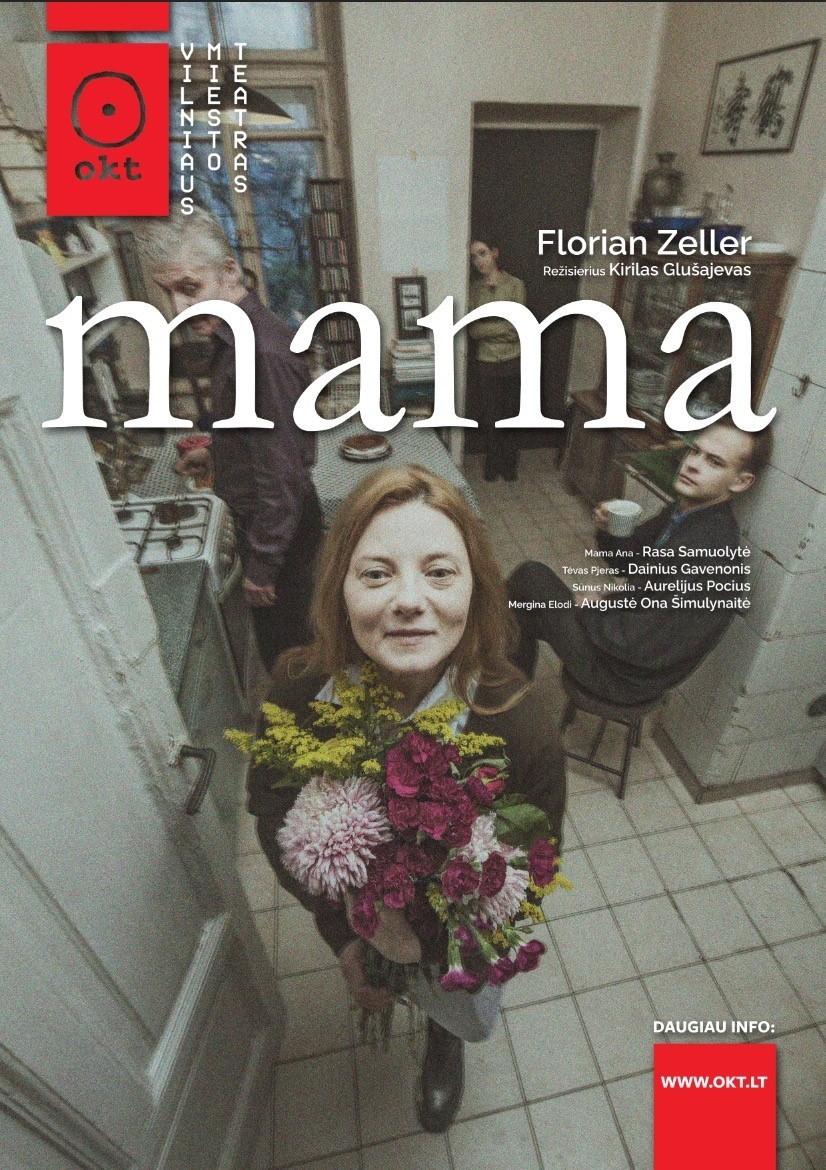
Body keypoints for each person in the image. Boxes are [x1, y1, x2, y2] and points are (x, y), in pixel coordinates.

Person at [247, 466, 567, 1133]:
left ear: (476, 588)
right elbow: (273, 814)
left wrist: (462, 936)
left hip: (456, 941)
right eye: (376, 574)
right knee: (379, 979)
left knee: (452, 1000)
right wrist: (345, 934)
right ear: (338, 589)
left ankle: (445, 1039)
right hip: (364, 924)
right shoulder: (298, 691)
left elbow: (535, 862)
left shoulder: (520, 721)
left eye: (440, 572)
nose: (409, 602)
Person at [136, 206, 323, 671]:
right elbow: (258, 439)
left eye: (189, 288)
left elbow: (283, 477)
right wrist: (219, 452)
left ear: (230, 271)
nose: (178, 309)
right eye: (167, 292)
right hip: (270, 524)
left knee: (291, 660)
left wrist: (262, 567)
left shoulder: (261, 355)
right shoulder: (230, 336)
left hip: (280, 531)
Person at [508, 420, 773, 704]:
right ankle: (509, 683)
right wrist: (609, 530)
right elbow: (628, 563)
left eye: (714, 462)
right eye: (695, 451)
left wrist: (592, 608)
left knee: (530, 578)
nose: (692, 464)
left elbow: (638, 644)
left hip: (624, 678)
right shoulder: (685, 513)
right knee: (518, 611)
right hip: (624, 649)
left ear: (740, 481)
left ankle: (505, 688)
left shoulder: (708, 550)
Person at [467, 236, 527, 482]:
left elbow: (518, 326)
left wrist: (490, 328)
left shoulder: (515, 285)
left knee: (511, 416)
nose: (478, 261)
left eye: (482, 253)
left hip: (513, 359)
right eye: (473, 256)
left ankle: (509, 465)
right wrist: (503, 327)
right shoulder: (474, 289)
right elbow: (473, 330)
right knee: (491, 417)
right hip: (486, 361)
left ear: (495, 252)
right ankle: (492, 464)